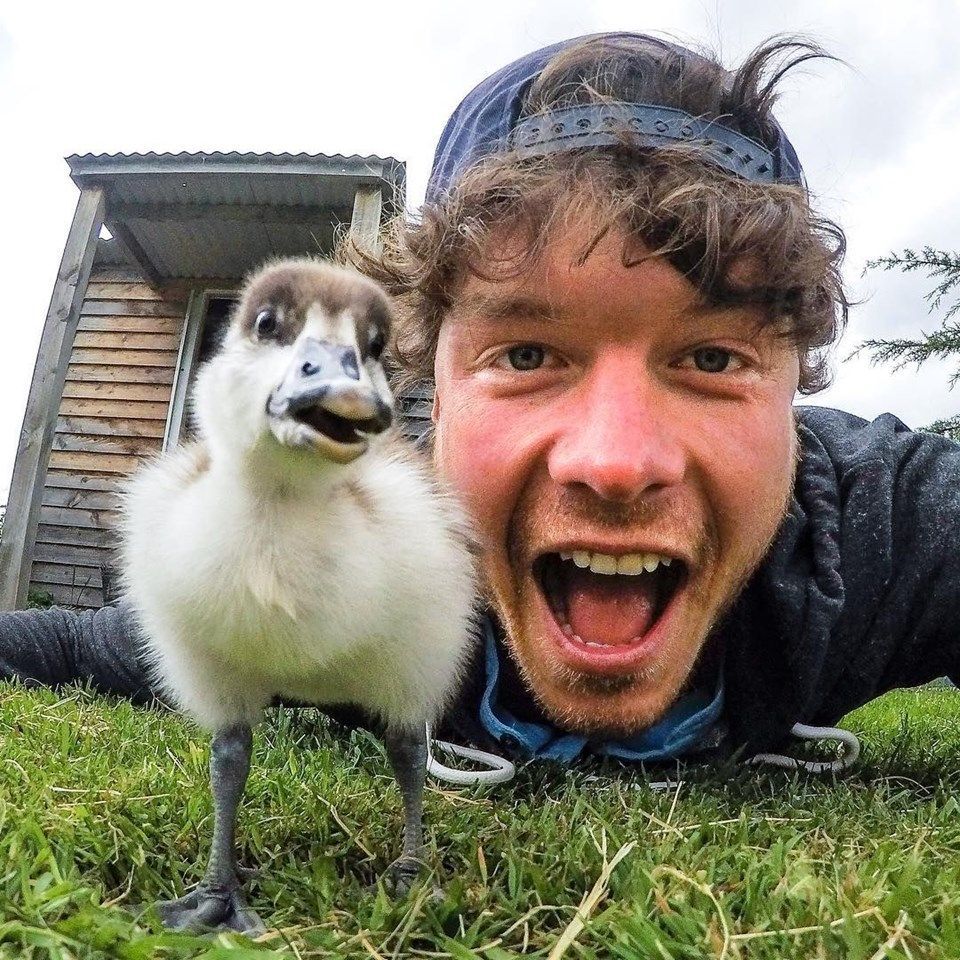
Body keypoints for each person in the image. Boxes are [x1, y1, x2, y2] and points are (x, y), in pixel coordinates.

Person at [3, 32, 959, 769]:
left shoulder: (882, 525)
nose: (616, 462)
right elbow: (63, 652)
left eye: (711, 357)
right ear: (434, 391)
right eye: (529, 353)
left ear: (794, 387)